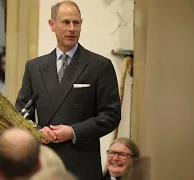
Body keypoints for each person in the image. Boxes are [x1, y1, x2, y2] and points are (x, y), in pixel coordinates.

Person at [15, 1, 121, 179]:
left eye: (76, 23)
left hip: (82, 163)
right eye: (66, 22)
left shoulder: (99, 66)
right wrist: (37, 131)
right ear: (52, 25)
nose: (72, 28)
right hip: (44, 162)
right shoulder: (35, 67)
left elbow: (111, 115)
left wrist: (73, 132)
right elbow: (20, 114)